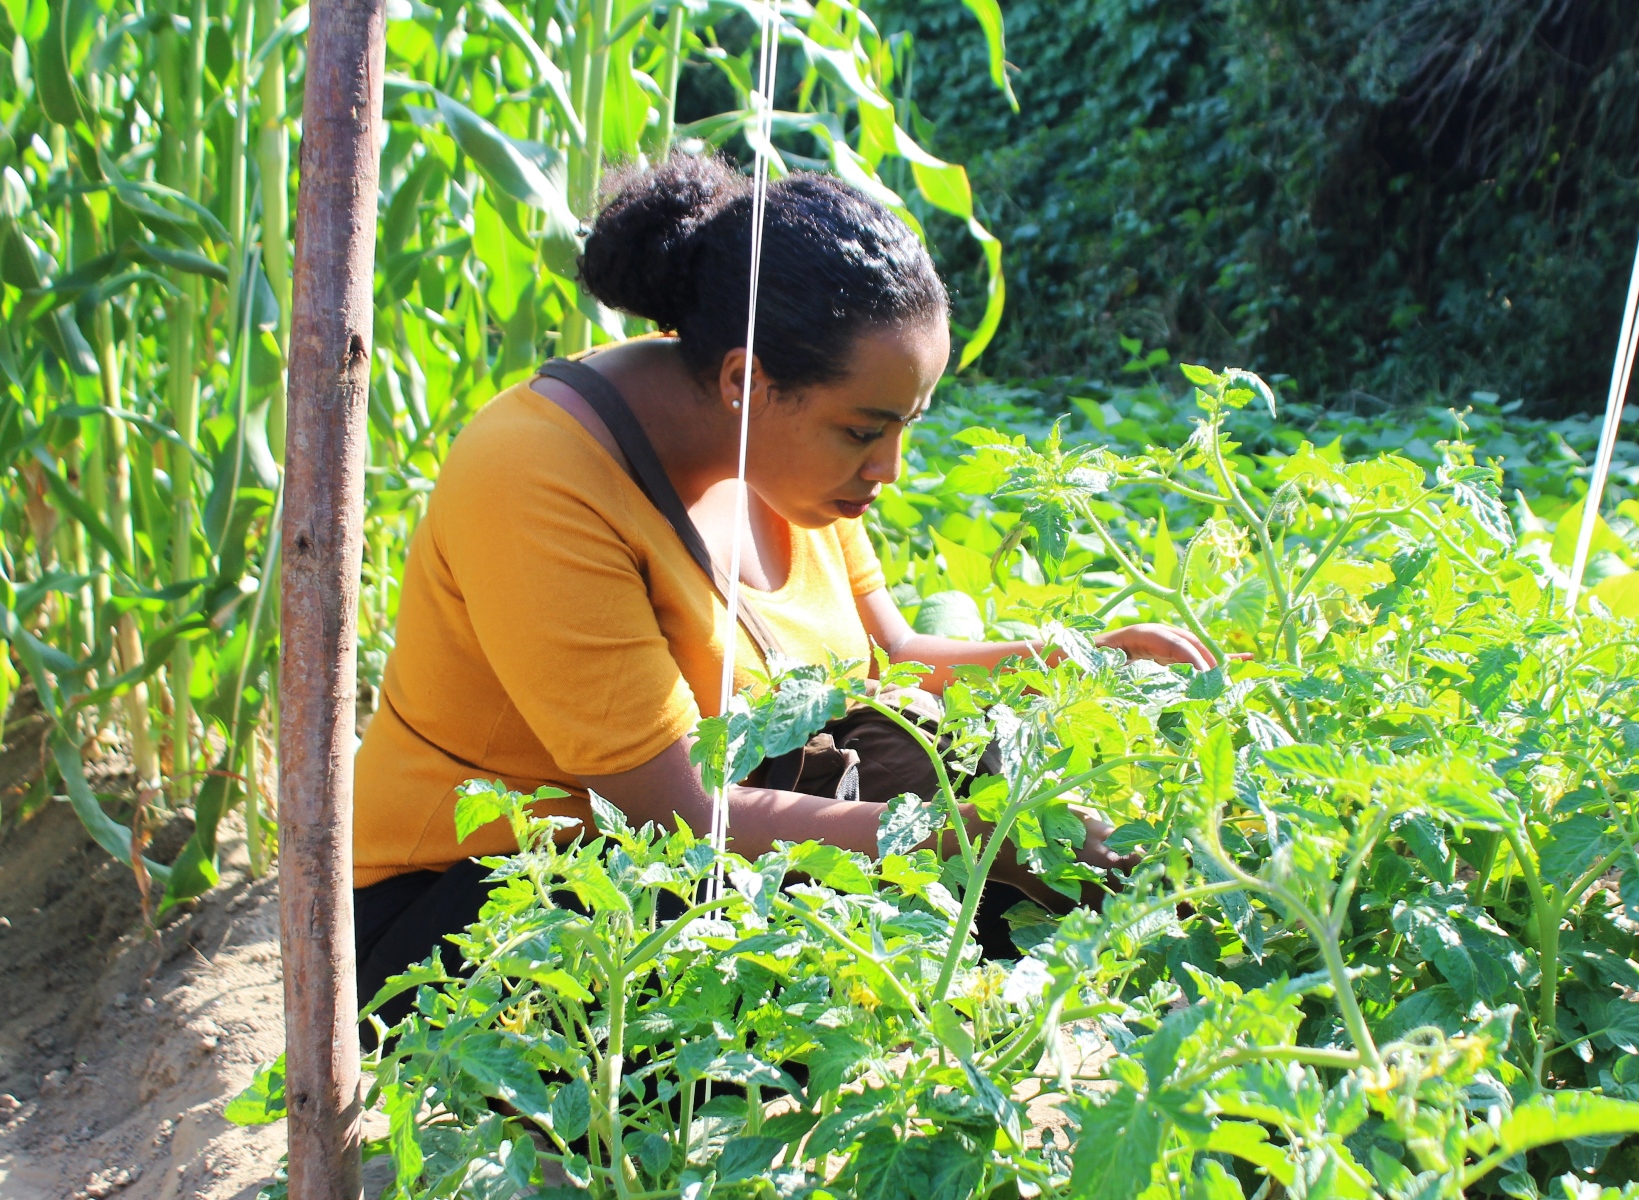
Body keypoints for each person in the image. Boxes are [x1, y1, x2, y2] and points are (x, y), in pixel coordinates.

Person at [349, 149, 1216, 1014]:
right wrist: (952, 840)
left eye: (906, 426)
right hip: (490, 904)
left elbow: (897, 657)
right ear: (744, 383)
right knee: (858, 924)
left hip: (707, 822)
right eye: (864, 430)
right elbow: (675, 816)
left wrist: (1083, 659)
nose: (892, 467)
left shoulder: (778, 453)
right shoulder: (537, 475)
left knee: (985, 784)